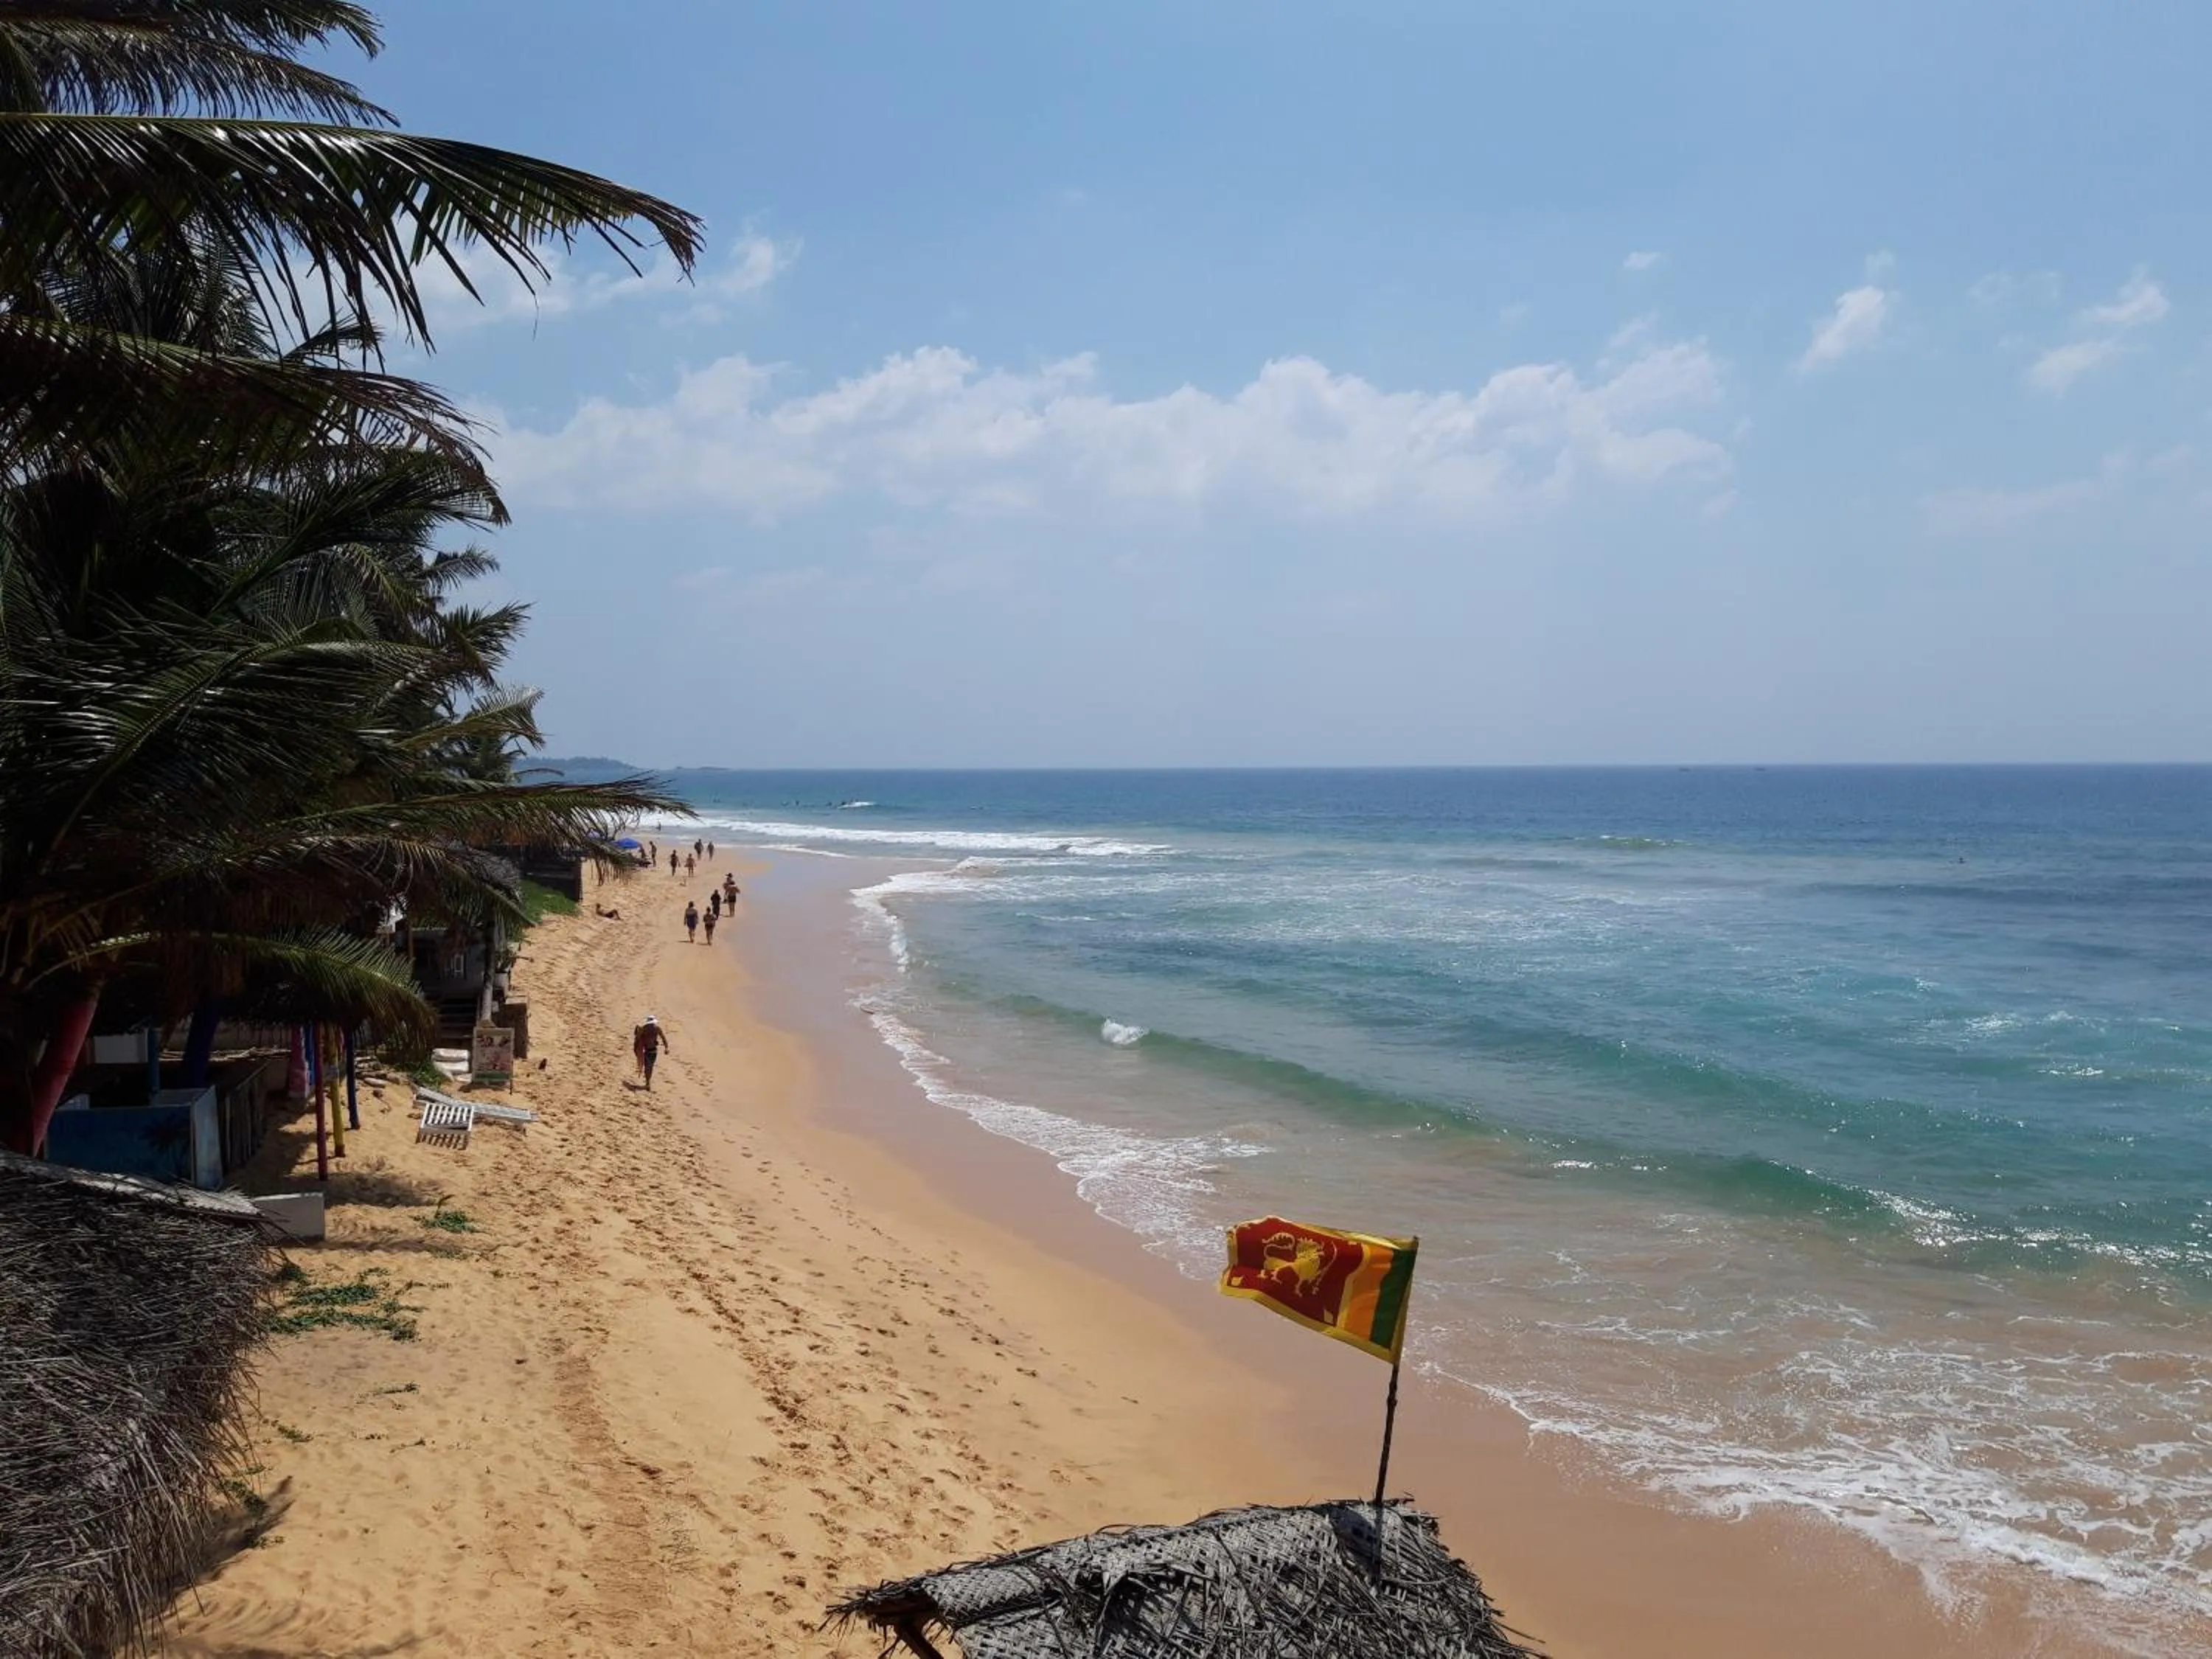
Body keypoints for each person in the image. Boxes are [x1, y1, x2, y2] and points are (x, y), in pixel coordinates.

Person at [633, 1015, 669, 1088]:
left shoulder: (655, 1029)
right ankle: (648, 1083)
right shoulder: (645, 1029)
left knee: (649, 1067)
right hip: (648, 1051)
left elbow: (663, 1037)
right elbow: (637, 1038)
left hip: (652, 1051)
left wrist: (666, 1047)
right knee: (648, 1067)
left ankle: (648, 1083)